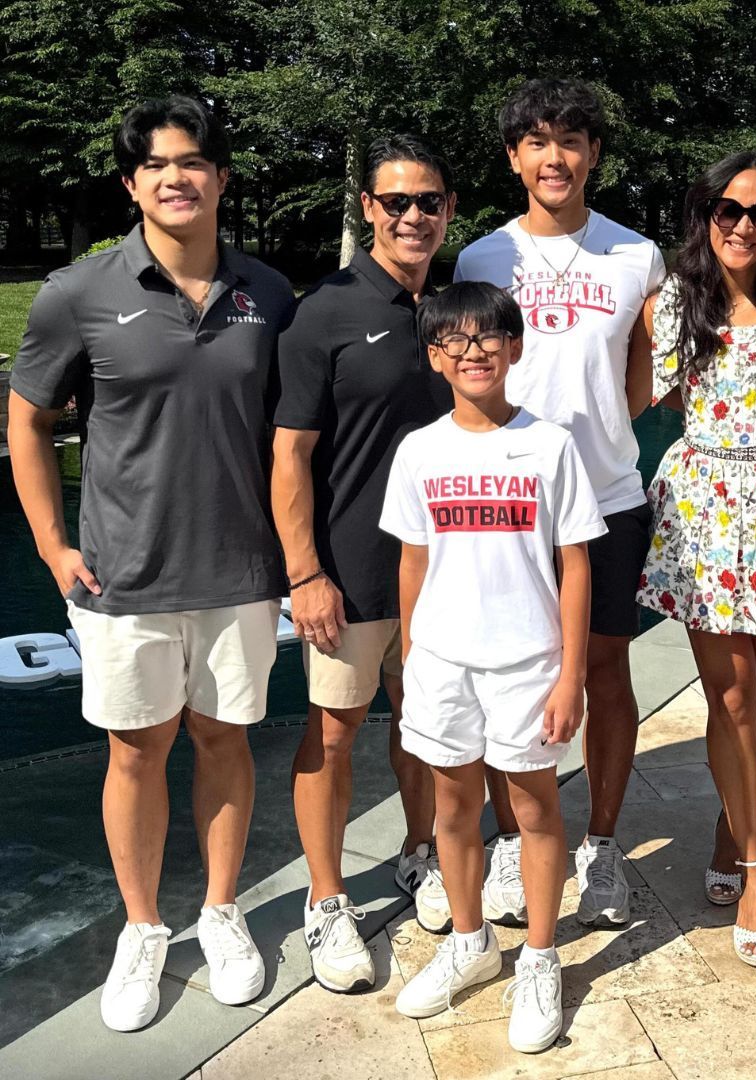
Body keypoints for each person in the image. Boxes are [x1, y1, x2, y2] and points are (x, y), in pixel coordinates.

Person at [8, 96, 294, 1030]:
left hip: (242, 571)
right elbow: (28, 418)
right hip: (124, 577)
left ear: (220, 177)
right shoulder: (78, 292)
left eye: (195, 161)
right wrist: (53, 544)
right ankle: (143, 928)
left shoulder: (269, 293)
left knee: (225, 741)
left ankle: (220, 911)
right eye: (157, 164)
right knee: (135, 751)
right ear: (133, 184)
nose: (178, 176)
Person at [454, 77, 666, 928]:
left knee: (607, 672)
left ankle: (603, 845)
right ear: (514, 158)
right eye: (537, 141)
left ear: (594, 157)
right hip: (506, 501)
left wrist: (606, 428)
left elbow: (645, 374)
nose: (555, 157)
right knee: (509, 676)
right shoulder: (480, 260)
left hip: (608, 497)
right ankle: (512, 843)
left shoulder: (634, 255)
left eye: (570, 141)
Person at [381, 280, 606, 1052]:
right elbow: (414, 561)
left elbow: (575, 565)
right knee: (452, 809)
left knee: (535, 808)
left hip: (527, 662)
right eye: (454, 340)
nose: (472, 351)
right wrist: (411, 661)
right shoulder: (420, 449)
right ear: (434, 355)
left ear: (514, 347)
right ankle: (471, 942)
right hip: (444, 661)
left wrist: (570, 674)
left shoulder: (548, 443)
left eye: (488, 338)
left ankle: (540, 956)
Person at [626, 152, 756, 966]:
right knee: (733, 690)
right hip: (710, 507)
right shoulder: (673, 303)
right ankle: (755, 867)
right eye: (727, 209)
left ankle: (727, 819)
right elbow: (657, 396)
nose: (743, 225)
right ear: (703, 213)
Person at [271, 135, 456, 986]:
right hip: (349, 574)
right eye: (396, 202)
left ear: (449, 210)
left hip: (444, 571)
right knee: (335, 736)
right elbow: (291, 455)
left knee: (425, 727)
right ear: (369, 211)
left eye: (428, 201)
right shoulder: (326, 312)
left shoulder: (457, 313)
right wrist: (305, 573)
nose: (413, 216)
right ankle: (326, 900)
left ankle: (421, 854)